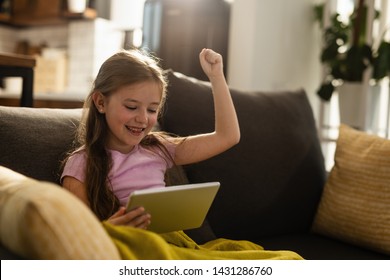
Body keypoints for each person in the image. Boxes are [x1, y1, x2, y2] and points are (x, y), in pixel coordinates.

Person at [61, 48, 240, 229]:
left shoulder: (158, 149)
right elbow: (78, 235)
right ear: (100, 102)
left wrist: (216, 77)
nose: (143, 119)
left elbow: (228, 137)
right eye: (132, 107)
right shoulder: (81, 163)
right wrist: (114, 228)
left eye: (152, 109)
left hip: (170, 243)